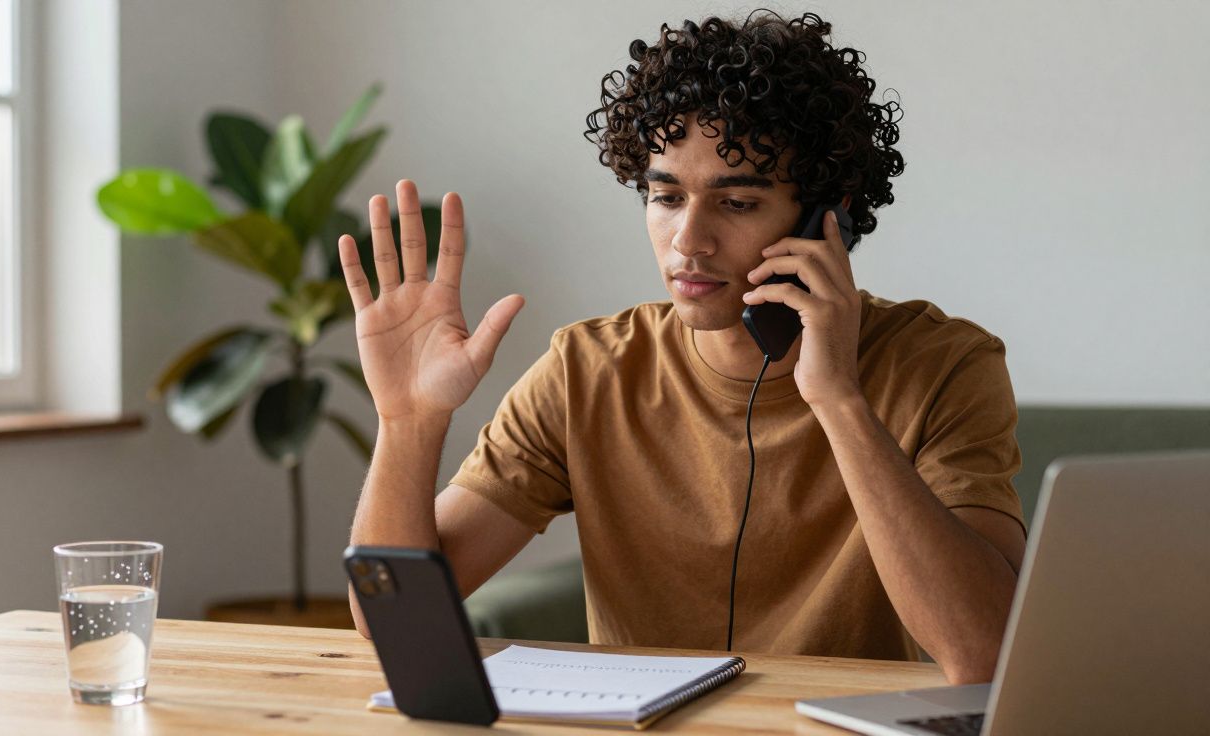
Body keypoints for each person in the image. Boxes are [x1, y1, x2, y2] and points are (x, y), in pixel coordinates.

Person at [341, 10, 1025, 685]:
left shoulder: (945, 365)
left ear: (826, 219)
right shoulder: (588, 371)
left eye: (737, 204)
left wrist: (838, 398)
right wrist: (408, 422)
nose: (687, 241)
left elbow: (986, 655)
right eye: (665, 197)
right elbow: (394, 621)